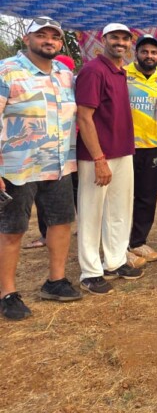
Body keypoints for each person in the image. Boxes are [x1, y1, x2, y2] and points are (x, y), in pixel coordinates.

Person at [0, 17, 82, 319]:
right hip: (16, 166)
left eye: (54, 37)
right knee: (12, 229)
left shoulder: (64, 73)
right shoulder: (7, 70)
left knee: (60, 223)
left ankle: (55, 281)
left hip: (59, 165)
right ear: (27, 39)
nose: (49, 40)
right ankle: (7, 292)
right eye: (42, 35)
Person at [76, 23, 143, 296]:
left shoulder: (119, 71)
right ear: (103, 40)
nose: (120, 43)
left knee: (119, 209)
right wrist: (99, 158)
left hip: (122, 151)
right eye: (115, 38)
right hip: (97, 155)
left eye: (125, 39)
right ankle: (90, 271)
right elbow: (84, 117)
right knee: (92, 213)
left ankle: (115, 260)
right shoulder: (93, 70)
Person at [126, 34, 157, 263]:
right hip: (124, 146)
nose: (149, 56)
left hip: (152, 145)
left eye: (154, 52)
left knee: (147, 196)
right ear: (136, 53)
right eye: (144, 51)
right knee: (122, 197)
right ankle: (120, 245)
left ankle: (138, 242)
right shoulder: (123, 74)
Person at [24, 53, 78, 250]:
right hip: (30, 159)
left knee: (67, 205)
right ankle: (45, 234)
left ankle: (57, 275)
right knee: (38, 200)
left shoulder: (71, 85)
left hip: (68, 155)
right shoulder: (20, 79)